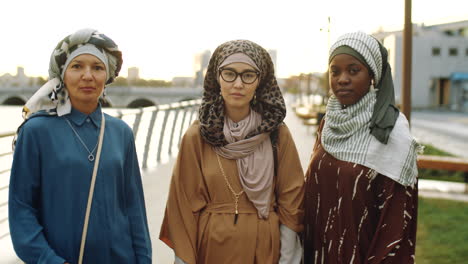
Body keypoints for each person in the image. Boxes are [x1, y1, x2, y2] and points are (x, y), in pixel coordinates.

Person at [9, 28, 152, 263]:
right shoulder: (36, 132)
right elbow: (21, 209)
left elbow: (133, 207)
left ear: (107, 76)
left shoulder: (121, 132)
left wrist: (144, 259)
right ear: (62, 75)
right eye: (77, 66)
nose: (88, 76)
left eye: (97, 67)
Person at [159, 39, 304, 263]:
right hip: (211, 251)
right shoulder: (197, 136)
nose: (238, 84)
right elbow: (182, 208)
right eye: (229, 73)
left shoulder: (277, 134)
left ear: (260, 81)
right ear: (217, 78)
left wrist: (287, 260)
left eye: (248, 75)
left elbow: (291, 203)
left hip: (265, 251)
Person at [303, 31, 420, 263]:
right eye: (335, 71)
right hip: (317, 253)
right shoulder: (329, 124)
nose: (342, 79)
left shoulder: (391, 132)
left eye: (353, 70)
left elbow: (396, 225)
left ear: (372, 76)